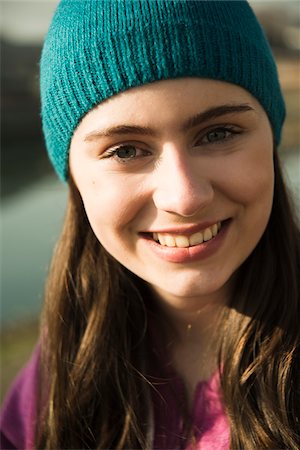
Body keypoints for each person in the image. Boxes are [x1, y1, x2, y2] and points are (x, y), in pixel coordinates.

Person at [1, 0, 299, 449]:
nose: (184, 196)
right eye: (125, 150)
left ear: (271, 141)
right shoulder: (52, 382)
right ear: (75, 180)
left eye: (218, 133)